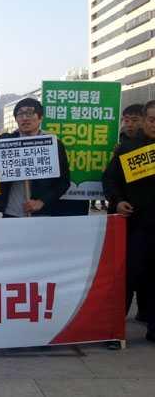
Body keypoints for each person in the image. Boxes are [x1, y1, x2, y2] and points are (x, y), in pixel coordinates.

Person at [0, 96, 70, 217]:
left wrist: (42, 202)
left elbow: (63, 182)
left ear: (40, 118)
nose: (25, 118)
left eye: (30, 113)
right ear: (16, 119)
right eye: (20, 114)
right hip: (10, 213)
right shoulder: (6, 142)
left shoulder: (53, 145)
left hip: (41, 214)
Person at [102, 100, 155, 343]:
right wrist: (118, 201)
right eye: (152, 120)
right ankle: (113, 329)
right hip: (135, 225)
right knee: (128, 276)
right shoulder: (127, 149)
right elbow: (109, 179)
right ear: (144, 121)